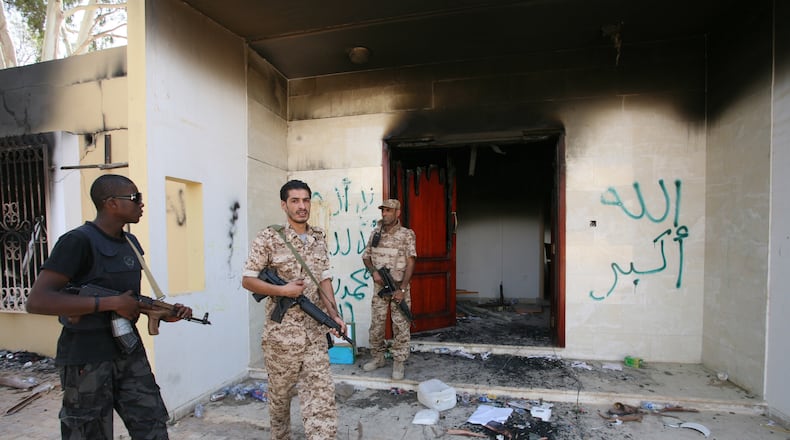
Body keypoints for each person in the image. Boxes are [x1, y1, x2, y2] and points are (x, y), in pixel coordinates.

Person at [25, 174, 193, 440]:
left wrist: (161, 311)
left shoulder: (130, 244)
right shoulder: (77, 241)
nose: (141, 204)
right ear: (111, 203)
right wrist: (111, 303)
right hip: (86, 354)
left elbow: (127, 299)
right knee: (88, 431)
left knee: (152, 425)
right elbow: (37, 300)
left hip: (127, 350)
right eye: (135, 198)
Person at [241, 179, 346, 440]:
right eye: (295, 201)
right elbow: (248, 280)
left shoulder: (319, 237)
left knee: (322, 398)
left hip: (314, 334)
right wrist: (283, 291)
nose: (302, 206)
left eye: (306, 200)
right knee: (280, 398)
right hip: (282, 337)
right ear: (284, 205)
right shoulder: (268, 238)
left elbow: (324, 279)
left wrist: (334, 315)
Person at [361, 198, 417, 380]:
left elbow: (411, 262)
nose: (384, 214)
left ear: (397, 213)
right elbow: (366, 257)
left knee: (400, 325)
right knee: (377, 325)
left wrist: (402, 289)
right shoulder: (375, 233)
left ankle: (399, 362)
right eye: (383, 210)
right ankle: (378, 358)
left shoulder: (406, 234)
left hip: (398, 287)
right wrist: (374, 272)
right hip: (380, 288)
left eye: (388, 211)